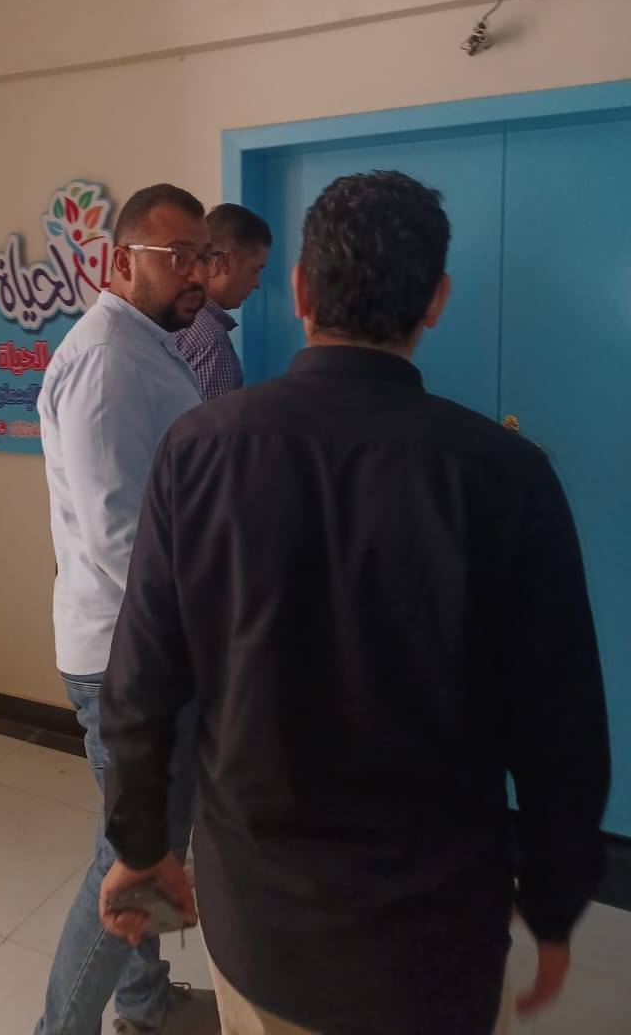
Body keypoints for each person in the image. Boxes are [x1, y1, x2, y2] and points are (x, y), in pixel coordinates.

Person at [98, 170, 610, 1035]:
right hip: (436, 938)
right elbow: (563, 730)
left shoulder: (199, 451)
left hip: (258, 920)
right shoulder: (508, 478)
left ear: (300, 291)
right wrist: (555, 905)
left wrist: (141, 848)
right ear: (436, 300)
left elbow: (142, 684)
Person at [35, 183, 223, 1035]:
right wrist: (194, 640)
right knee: (134, 856)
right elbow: (119, 537)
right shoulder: (109, 360)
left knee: (140, 841)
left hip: (137, 643)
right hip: (127, 655)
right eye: (176, 256)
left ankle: (144, 1004)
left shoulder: (146, 345)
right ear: (121, 261)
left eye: (202, 257)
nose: (197, 274)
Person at [175, 204, 272, 400]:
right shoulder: (209, 340)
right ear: (224, 261)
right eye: (254, 270)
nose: (257, 284)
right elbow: (212, 420)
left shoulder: (171, 317)